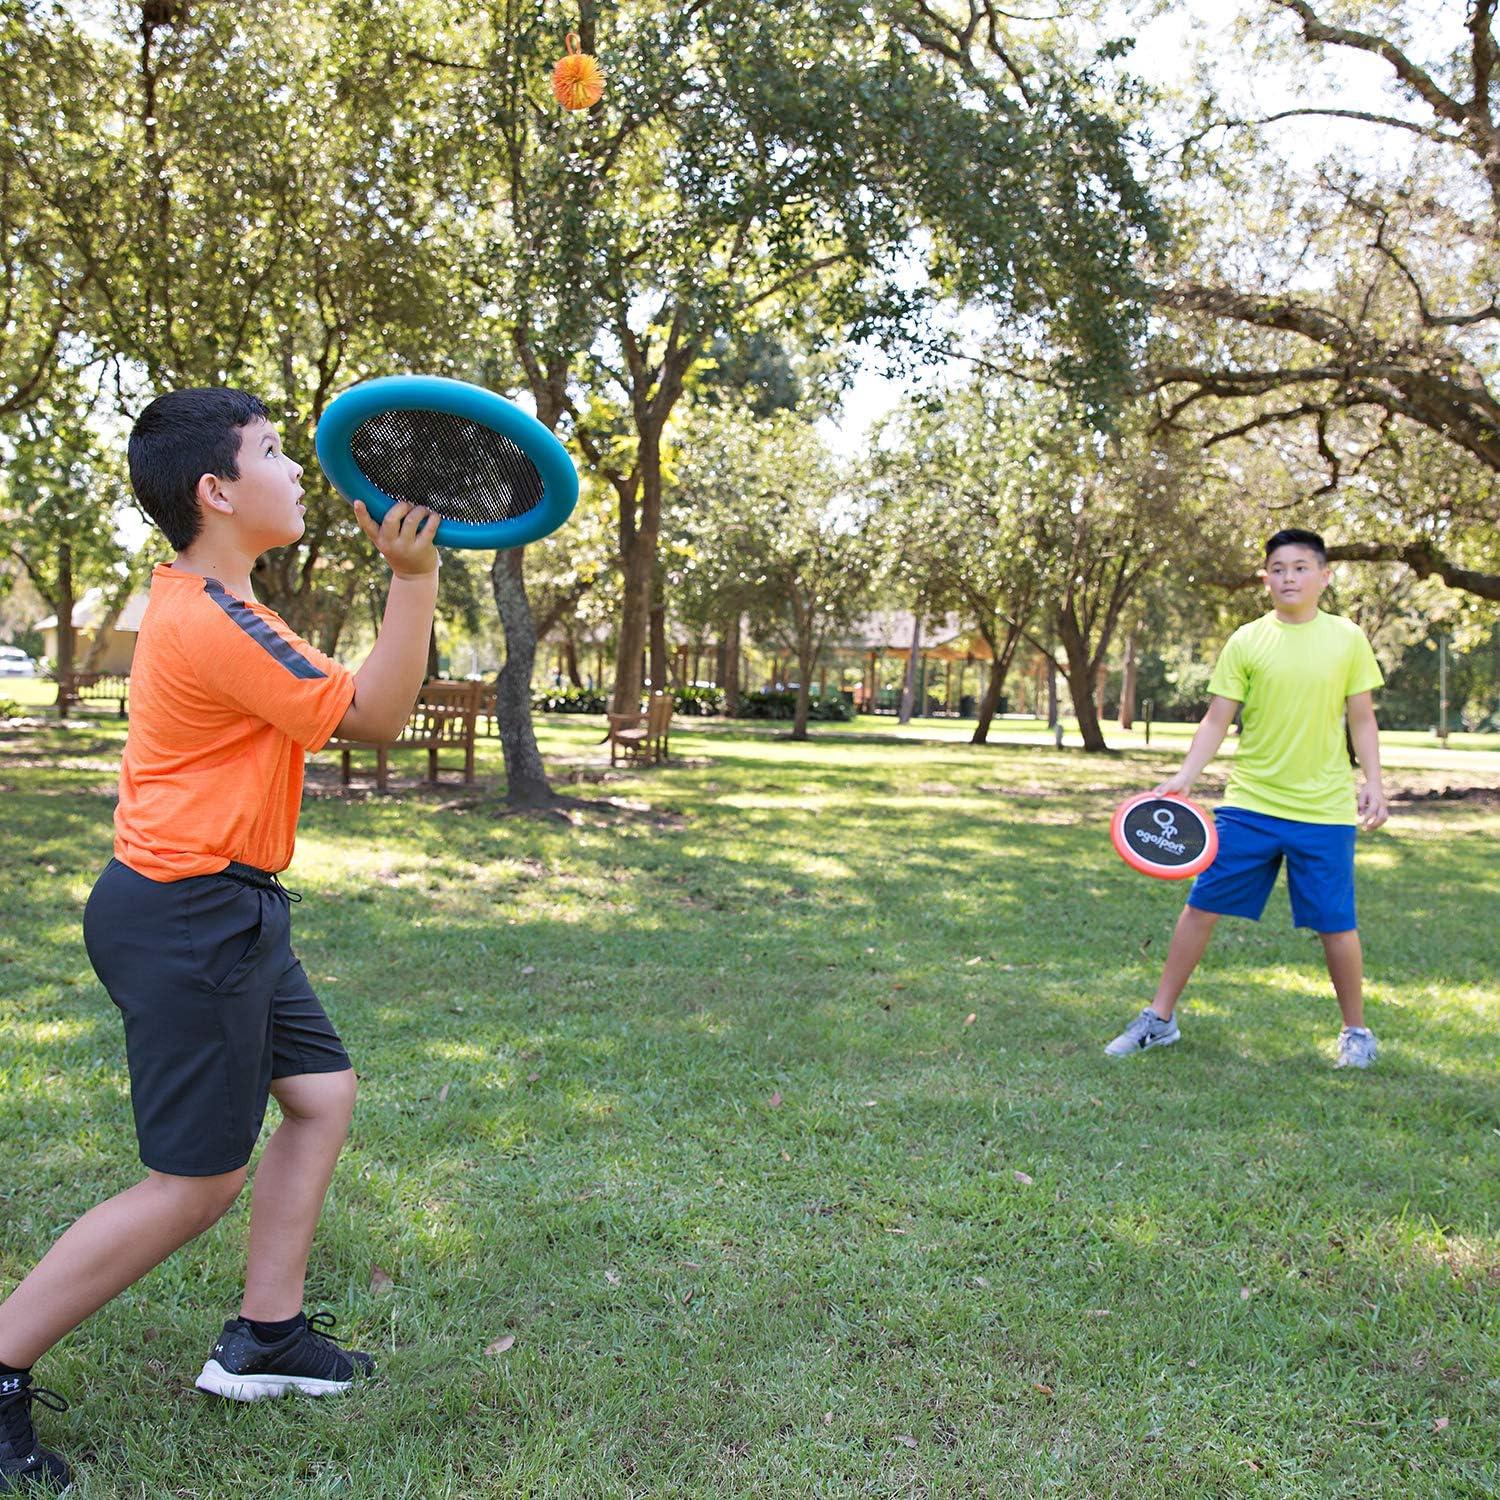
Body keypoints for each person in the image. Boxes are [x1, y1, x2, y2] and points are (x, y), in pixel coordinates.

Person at [0, 388, 439, 1492]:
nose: (296, 470)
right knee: (193, 1184)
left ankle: (265, 1338)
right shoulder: (211, 614)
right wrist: (414, 579)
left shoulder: (219, 603)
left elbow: (342, 706)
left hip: (222, 906)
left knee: (322, 1095)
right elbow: (375, 719)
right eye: (276, 452)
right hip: (191, 913)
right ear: (218, 490)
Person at [1105, 528, 1389, 1068]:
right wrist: (1186, 775)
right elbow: (1217, 717)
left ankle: (1356, 1033)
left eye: (1301, 567)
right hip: (1250, 804)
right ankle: (1158, 1020)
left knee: (1336, 924)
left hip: (1323, 810)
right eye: (1278, 568)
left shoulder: (1348, 638)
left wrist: (1373, 783)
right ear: (1265, 578)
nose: (1289, 577)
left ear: (1324, 577)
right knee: (1201, 907)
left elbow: (1362, 717)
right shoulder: (1247, 640)